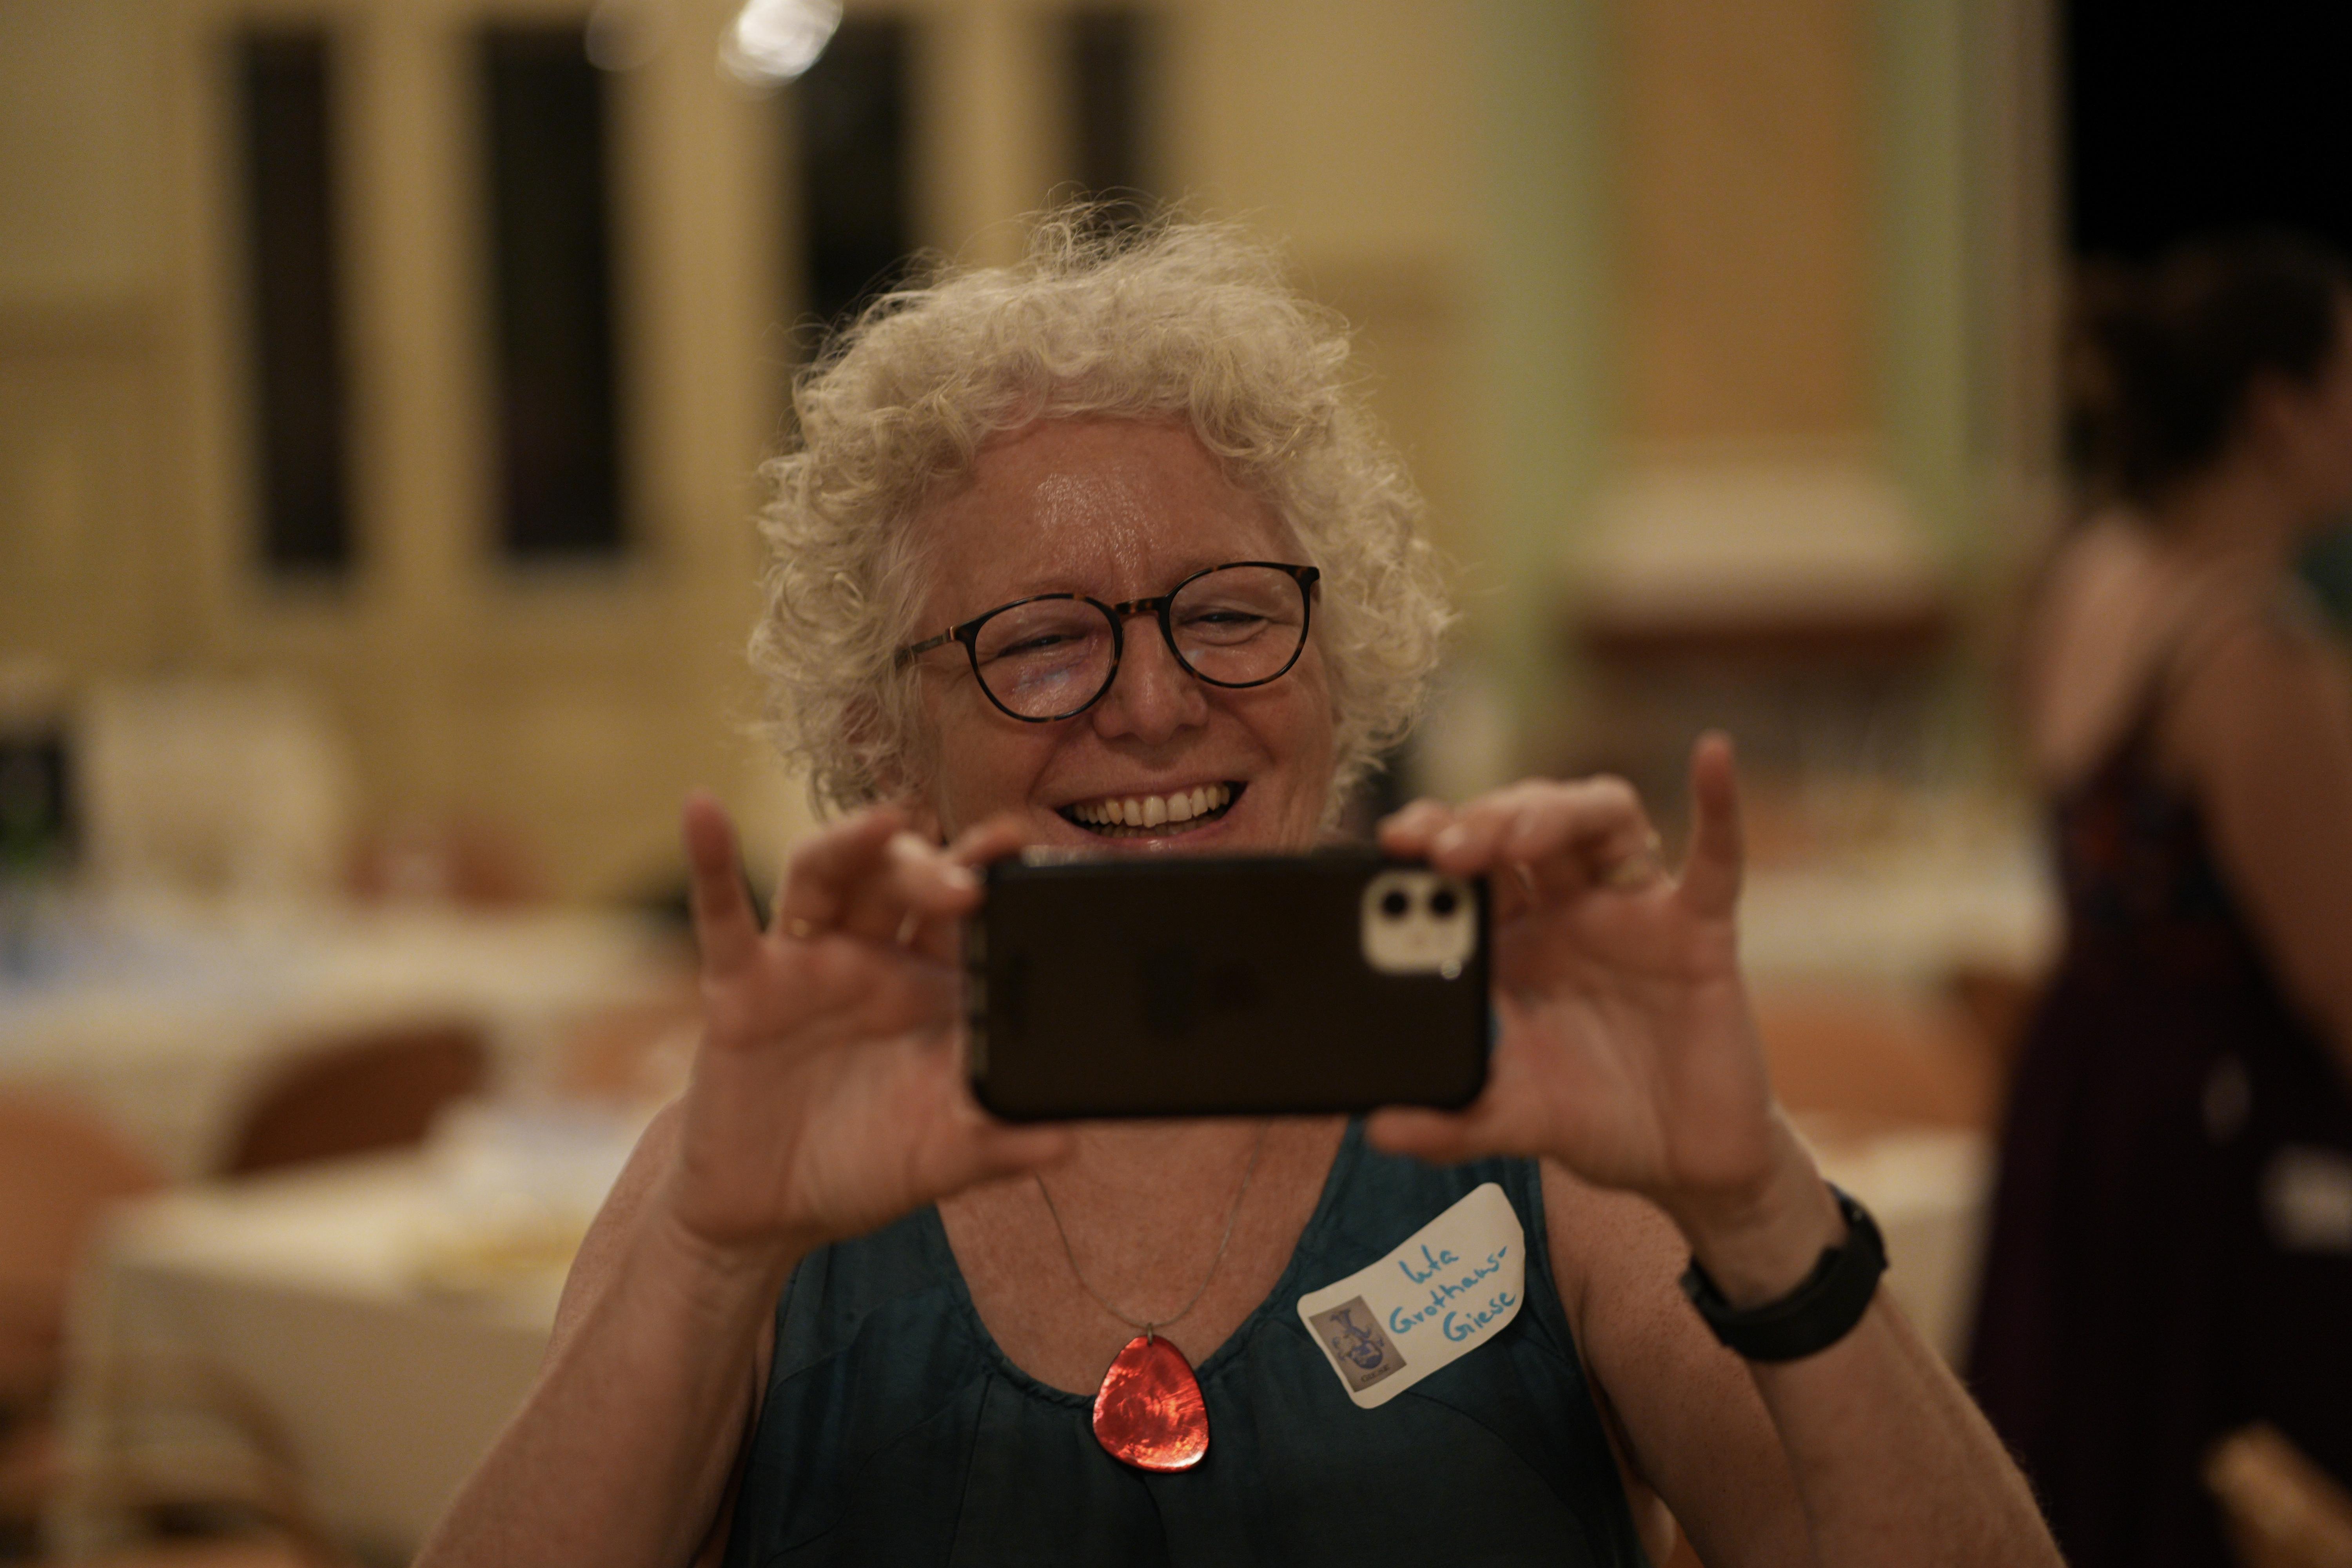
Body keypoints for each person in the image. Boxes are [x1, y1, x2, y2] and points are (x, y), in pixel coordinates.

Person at [419, 212, 2055, 1567]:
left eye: (1226, 613)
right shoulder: (757, 1172)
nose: (1153, 703)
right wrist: (710, 1260)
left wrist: (1757, 1203)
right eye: (1042, 642)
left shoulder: (1525, 1110)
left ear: (1337, 667)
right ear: (884, 734)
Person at [1969, 233, 2352, 1566]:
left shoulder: (2092, 575)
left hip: (2086, 1099)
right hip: (2213, 1148)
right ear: (2278, 408)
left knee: (2092, 1472)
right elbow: (2336, 973)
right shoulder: (2246, 643)